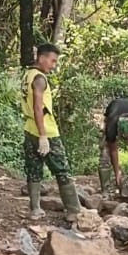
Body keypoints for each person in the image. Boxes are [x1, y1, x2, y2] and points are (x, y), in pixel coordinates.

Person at [21, 44, 82, 221]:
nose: (54, 65)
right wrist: (43, 136)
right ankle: (74, 211)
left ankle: (35, 209)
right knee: (61, 169)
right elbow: (38, 107)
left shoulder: (28, 75)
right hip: (45, 131)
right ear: (41, 58)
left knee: (33, 169)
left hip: (29, 128)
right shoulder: (40, 79)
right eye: (52, 60)